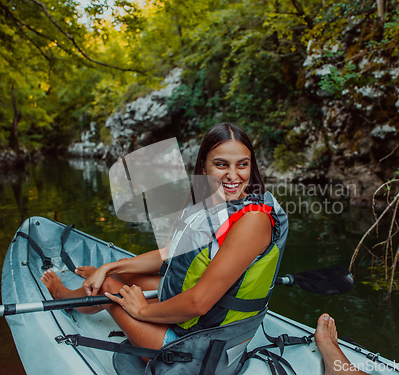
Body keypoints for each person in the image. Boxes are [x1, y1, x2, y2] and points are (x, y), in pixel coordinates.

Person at [41, 123, 289, 361]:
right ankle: (102, 275)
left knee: (108, 287)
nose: (233, 175)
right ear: (204, 168)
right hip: (200, 319)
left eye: (242, 165)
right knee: (119, 275)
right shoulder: (213, 203)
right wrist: (112, 266)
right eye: (221, 165)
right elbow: (170, 254)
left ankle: (61, 294)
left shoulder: (253, 219)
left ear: (250, 166)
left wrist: (141, 310)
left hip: (199, 346)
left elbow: (199, 302)